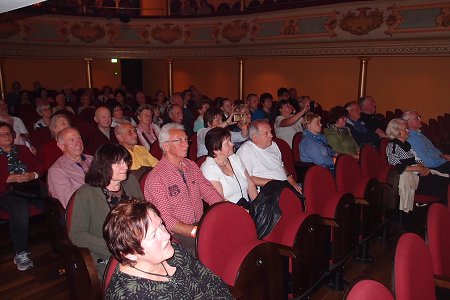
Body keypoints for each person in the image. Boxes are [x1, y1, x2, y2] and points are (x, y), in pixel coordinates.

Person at [103, 198, 233, 300]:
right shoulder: (126, 295)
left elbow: (211, 281)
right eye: (153, 235)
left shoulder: (174, 251)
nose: (166, 235)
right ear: (130, 253)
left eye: (161, 225)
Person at [144, 123, 223, 255]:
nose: (186, 144)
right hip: (177, 234)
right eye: (179, 140)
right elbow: (164, 218)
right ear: (166, 146)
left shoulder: (190, 165)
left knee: (231, 233)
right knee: (212, 250)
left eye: (186, 140)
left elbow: (208, 191)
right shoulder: (156, 178)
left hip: (200, 223)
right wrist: (194, 231)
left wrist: (225, 210)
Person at [68, 143, 143, 279]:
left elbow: (144, 215)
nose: (125, 167)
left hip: (139, 247)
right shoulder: (86, 194)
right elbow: (77, 235)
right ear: (103, 165)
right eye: (118, 163)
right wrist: (117, 249)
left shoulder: (131, 181)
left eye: (125, 161)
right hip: (109, 256)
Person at [0, 121, 43, 271]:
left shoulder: (22, 149)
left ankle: (66, 238)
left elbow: (40, 166)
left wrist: (33, 174)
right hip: (6, 191)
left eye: (9, 133)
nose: (6, 136)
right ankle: (21, 252)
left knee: (51, 201)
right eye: (2, 134)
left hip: (29, 186)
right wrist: (8, 178)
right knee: (20, 208)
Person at [385, 118, 448, 210]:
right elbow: (396, 167)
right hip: (410, 181)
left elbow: (417, 160)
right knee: (444, 186)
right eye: (405, 129)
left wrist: (423, 168)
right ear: (396, 132)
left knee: (445, 182)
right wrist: (418, 169)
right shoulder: (393, 146)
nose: (408, 131)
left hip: (419, 175)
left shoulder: (406, 144)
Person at [237, 119, 302, 193]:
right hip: (268, 192)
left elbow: (281, 166)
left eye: (270, 132)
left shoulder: (273, 144)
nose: (271, 135)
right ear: (254, 137)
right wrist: (275, 183)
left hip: (284, 186)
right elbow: (247, 178)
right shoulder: (246, 150)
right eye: (266, 133)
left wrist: (290, 179)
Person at [201, 127, 257, 206]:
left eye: (230, 141)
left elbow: (250, 184)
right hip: (229, 211)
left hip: (247, 206)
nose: (232, 144)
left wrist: (257, 206)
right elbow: (220, 201)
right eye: (227, 143)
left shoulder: (234, 158)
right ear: (215, 149)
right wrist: (244, 212)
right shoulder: (208, 169)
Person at [47, 127, 93, 208]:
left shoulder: (93, 159)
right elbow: (71, 203)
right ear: (62, 146)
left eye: (79, 138)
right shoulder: (57, 170)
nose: (78, 143)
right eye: (72, 140)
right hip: (85, 210)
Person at [403, 110, 450, 175]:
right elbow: (427, 162)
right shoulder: (410, 139)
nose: (420, 119)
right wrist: (444, 159)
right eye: (417, 118)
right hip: (434, 168)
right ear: (408, 122)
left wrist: (443, 156)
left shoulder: (418, 134)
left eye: (419, 117)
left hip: (439, 161)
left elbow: (433, 149)